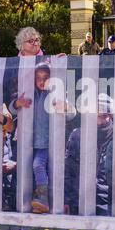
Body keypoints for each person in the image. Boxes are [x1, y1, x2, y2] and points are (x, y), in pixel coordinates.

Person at [10, 63, 76, 213]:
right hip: (29, 142)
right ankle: (35, 203)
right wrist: (17, 103)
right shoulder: (29, 93)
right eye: (38, 78)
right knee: (27, 171)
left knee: (38, 166)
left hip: (47, 142)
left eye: (45, 78)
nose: (41, 81)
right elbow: (12, 108)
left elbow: (72, 114)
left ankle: (43, 199)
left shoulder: (56, 95)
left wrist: (64, 106)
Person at [64, 93, 114, 216]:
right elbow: (67, 170)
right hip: (78, 199)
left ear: (111, 116)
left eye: (103, 116)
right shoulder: (77, 136)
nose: (98, 121)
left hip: (108, 202)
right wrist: (65, 199)